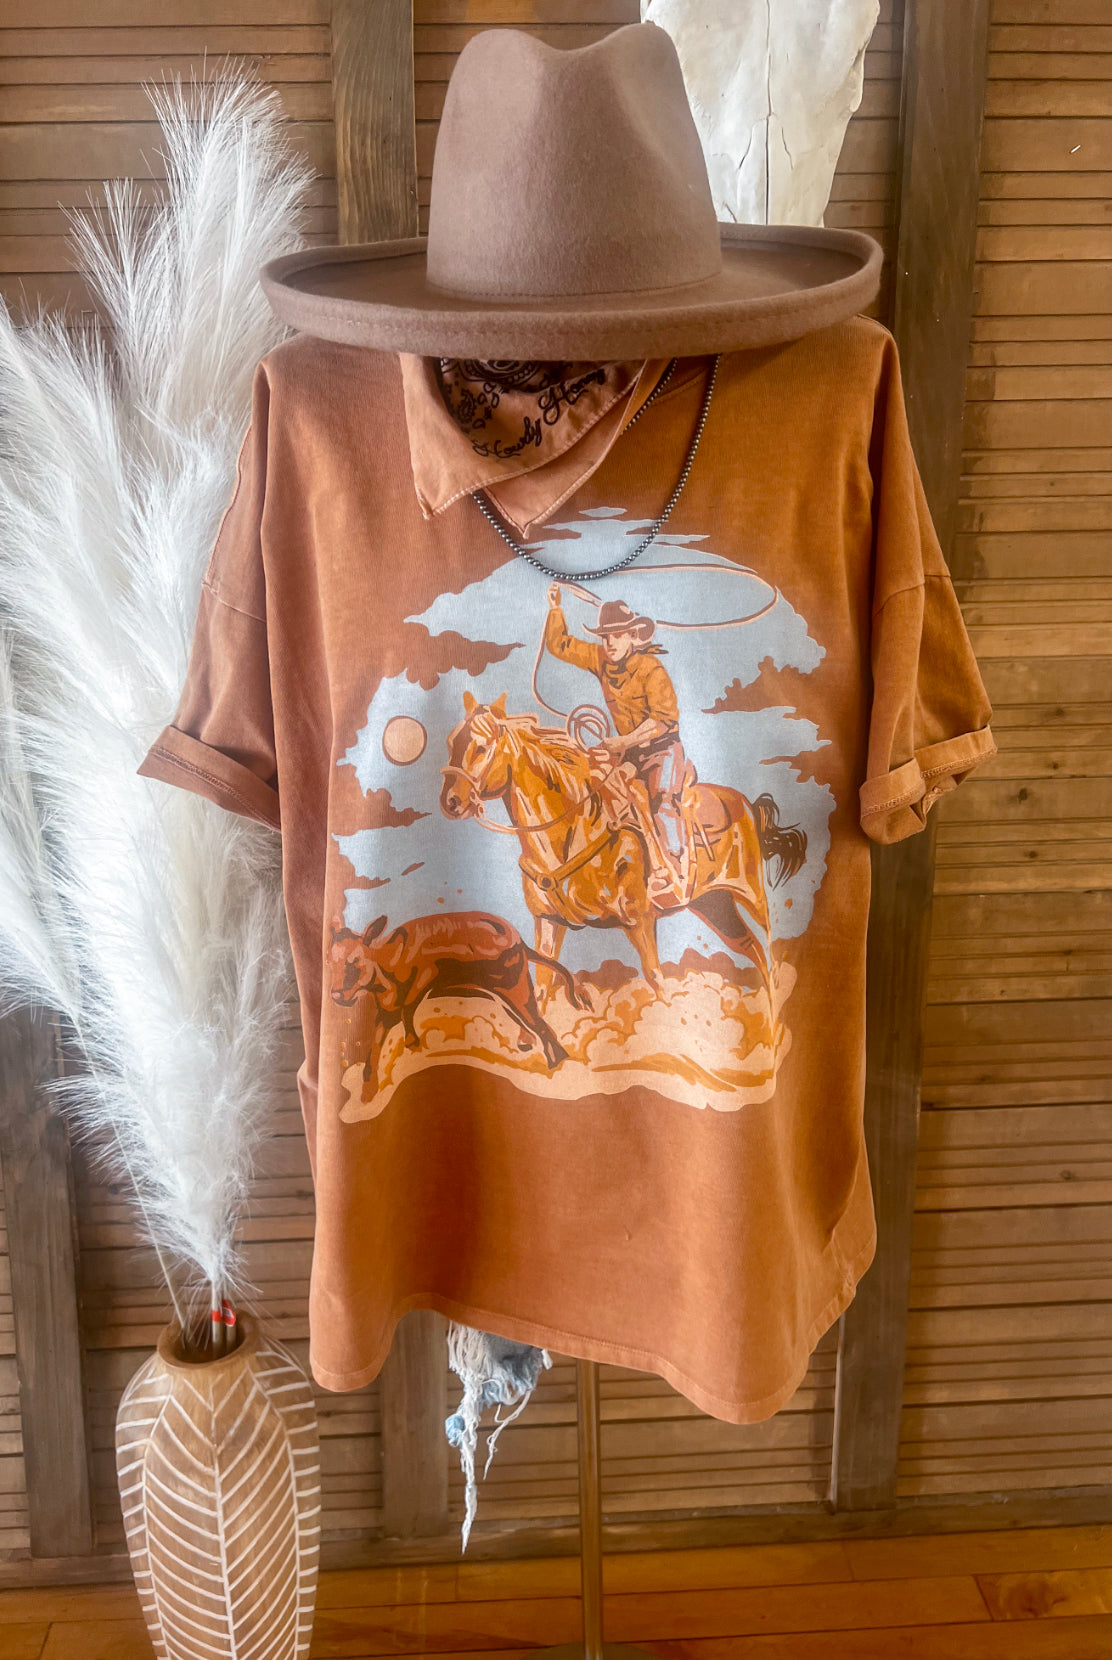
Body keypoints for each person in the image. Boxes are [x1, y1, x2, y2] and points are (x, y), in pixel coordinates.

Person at [544, 583, 692, 901]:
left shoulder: (652, 669)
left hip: (662, 750)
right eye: (604, 636)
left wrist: (623, 741)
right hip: (629, 753)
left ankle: (674, 872)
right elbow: (560, 645)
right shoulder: (600, 658)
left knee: (663, 802)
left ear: (631, 636)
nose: (609, 643)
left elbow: (663, 720)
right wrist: (555, 608)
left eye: (616, 635)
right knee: (602, 792)